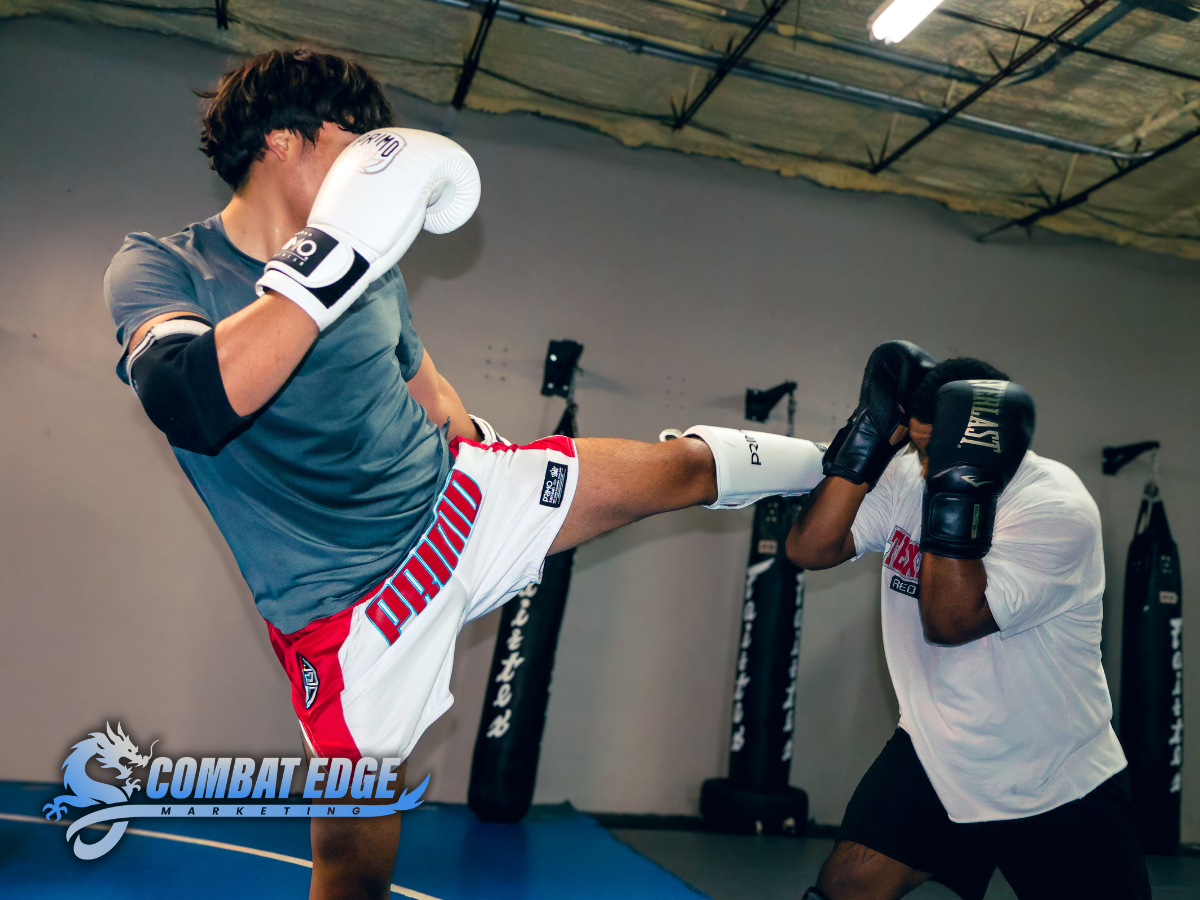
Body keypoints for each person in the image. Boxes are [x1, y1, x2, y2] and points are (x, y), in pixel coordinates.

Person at [104, 49, 827, 900]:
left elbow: (430, 388)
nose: (377, 166)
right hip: (347, 615)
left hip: (458, 505)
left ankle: (841, 462)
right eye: (355, 141)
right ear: (282, 140)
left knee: (676, 469)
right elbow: (193, 404)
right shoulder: (163, 265)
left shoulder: (373, 269)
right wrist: (327, 261)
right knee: (355, 866)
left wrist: (483, 445)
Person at [787, 345, 1151, 900]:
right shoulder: (912, 472)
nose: (927, 467)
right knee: (849, 883)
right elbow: (810, 549)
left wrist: (958, 490)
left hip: (1051, 775)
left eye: (939, 452)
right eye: (917, 447)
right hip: (938, 752)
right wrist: (862, 448)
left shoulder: (1055, 509)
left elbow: (949, 621)